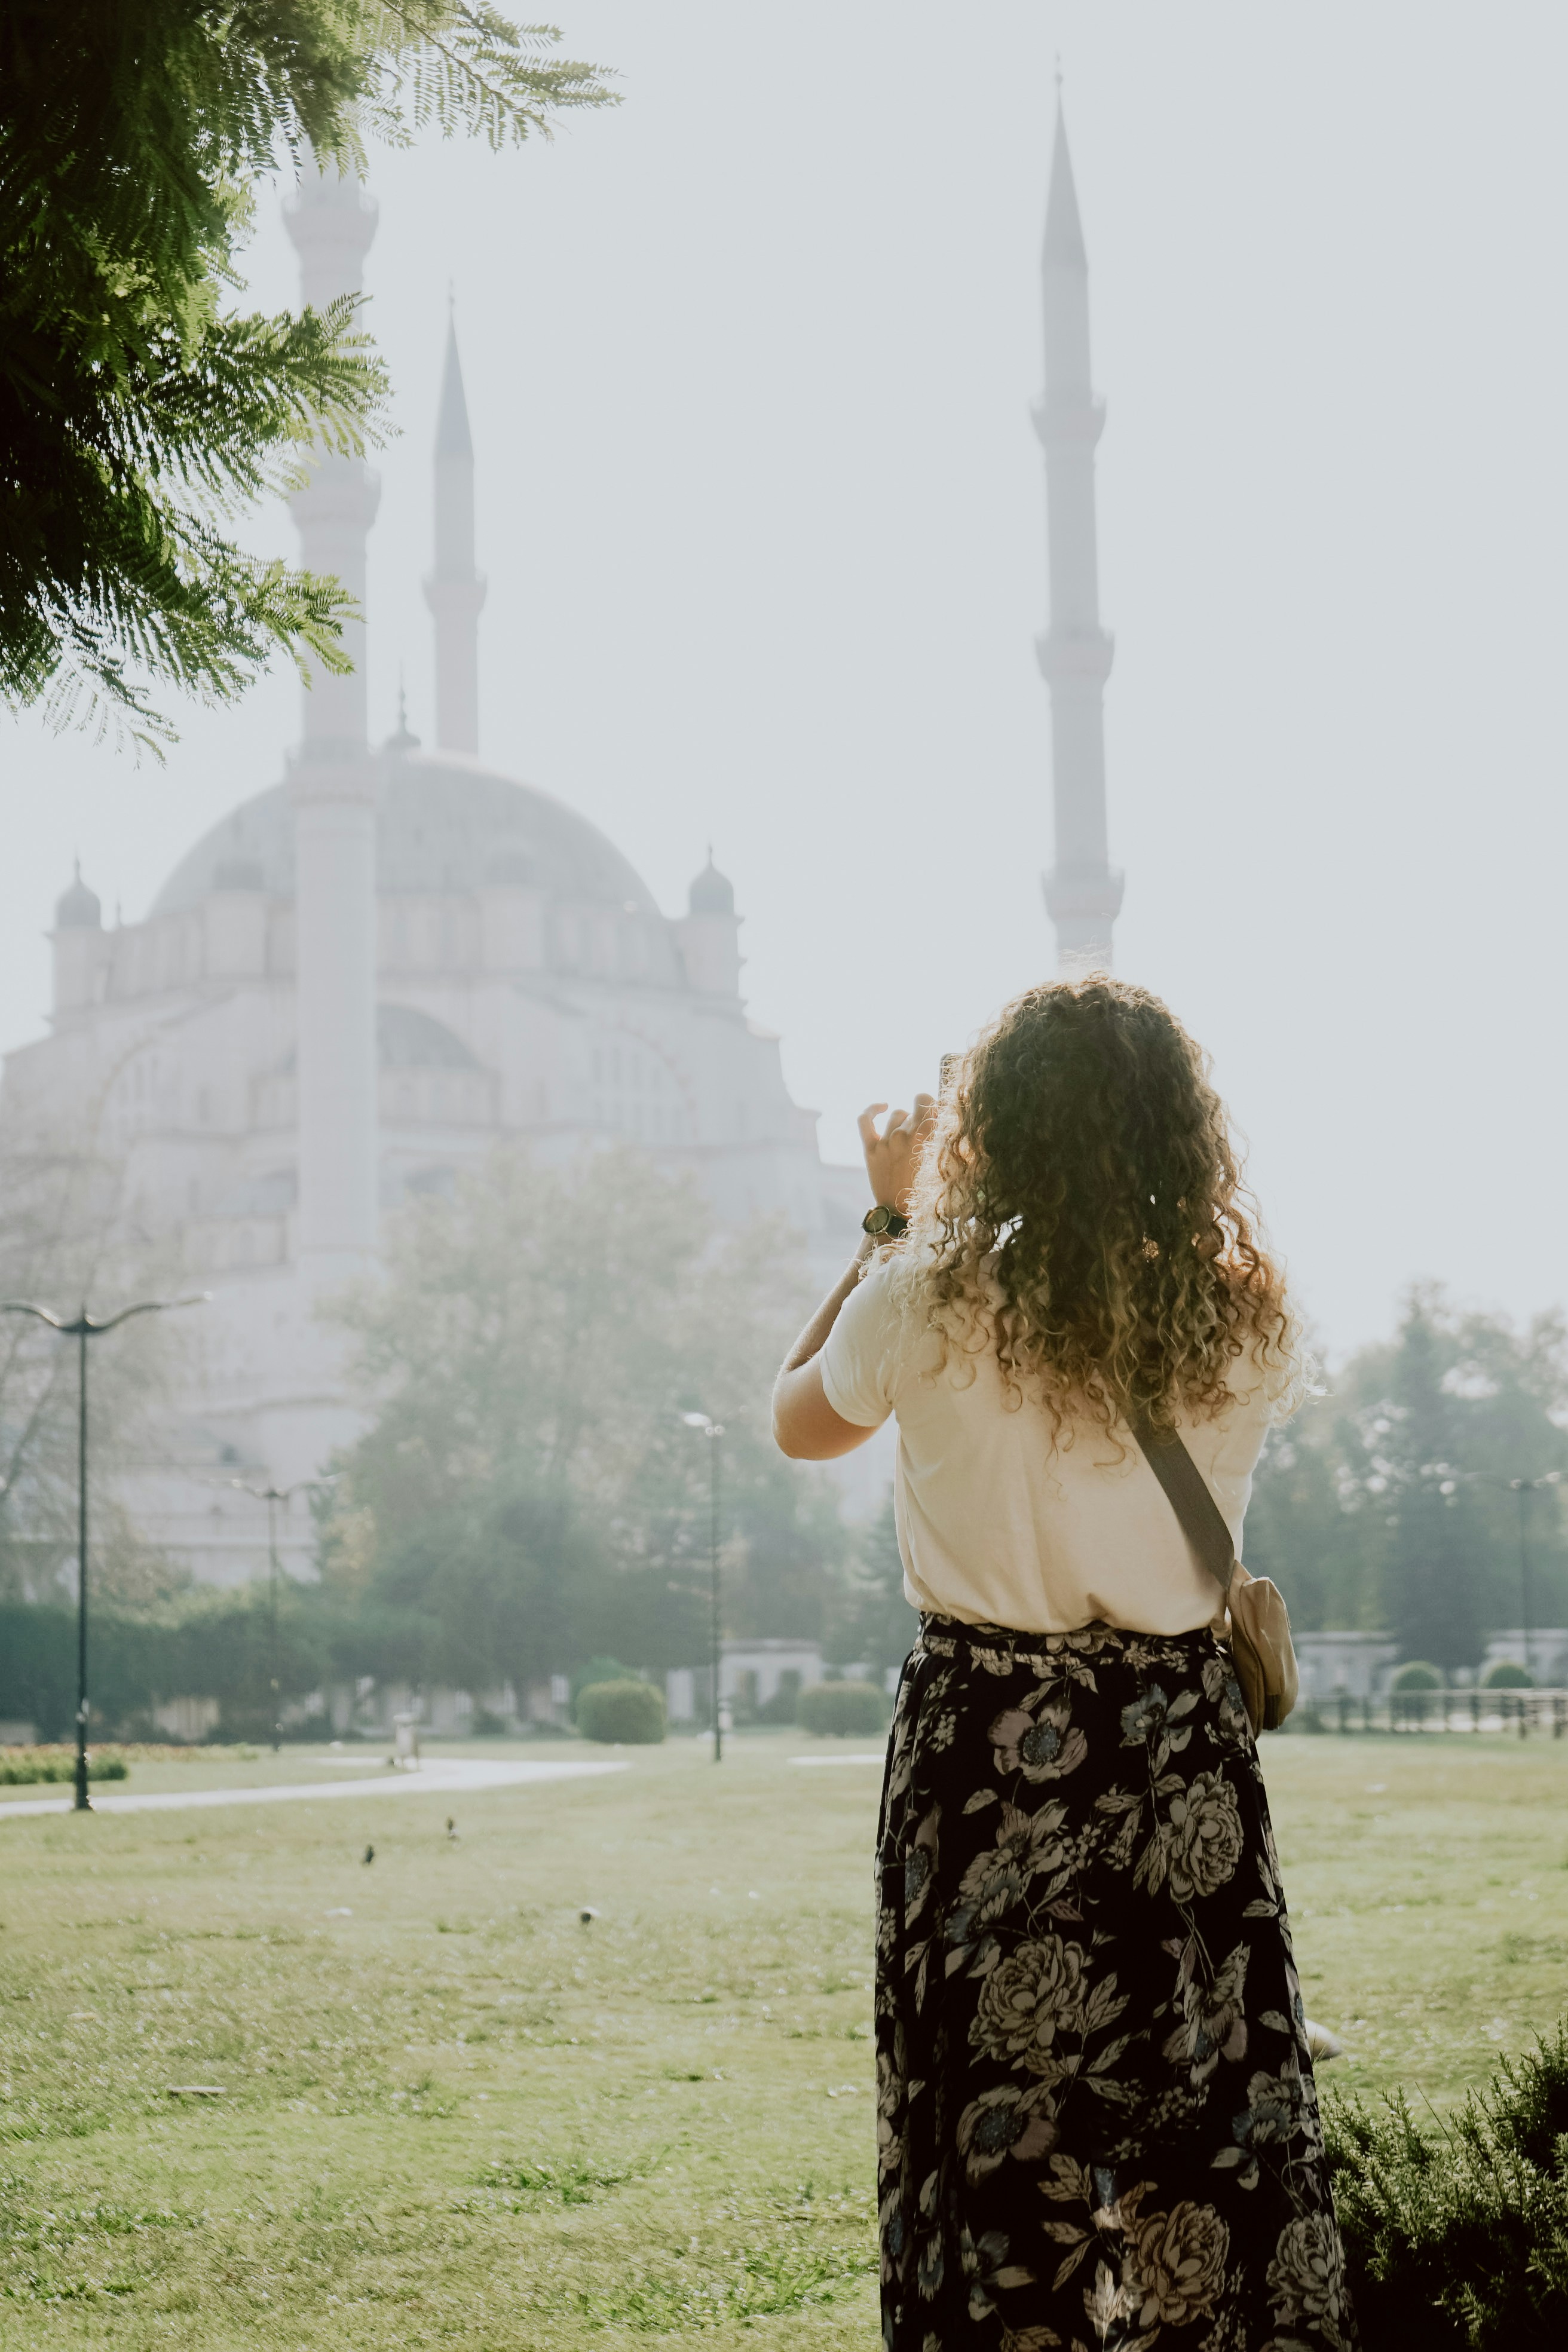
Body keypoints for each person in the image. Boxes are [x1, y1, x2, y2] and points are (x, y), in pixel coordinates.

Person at [773, 976, 1356, 2352]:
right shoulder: (1244, 1315)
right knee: (1203, 2113)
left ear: (997, 1127)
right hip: (1175, 1743)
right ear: (1178, 1132)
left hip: (986, 1748)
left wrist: (887, 1219)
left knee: (996, 2118)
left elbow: (799, 1424)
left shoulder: (922, 1301)